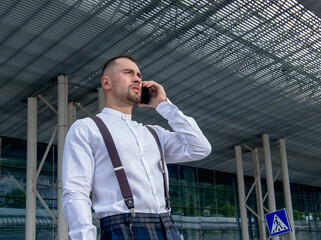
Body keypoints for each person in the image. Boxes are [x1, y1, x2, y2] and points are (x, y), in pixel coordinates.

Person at [62, 55, 212, 240]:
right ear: (106, 82)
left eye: (139, 75)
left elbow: (200, 148)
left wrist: (164, 105)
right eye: (128, 73)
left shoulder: (154, 133)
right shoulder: (87, 128)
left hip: (168, 226)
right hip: (122, 228)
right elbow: (76, 191)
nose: (137, 79)